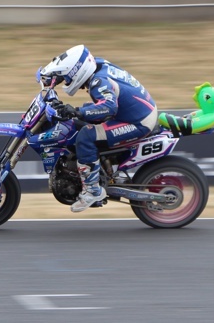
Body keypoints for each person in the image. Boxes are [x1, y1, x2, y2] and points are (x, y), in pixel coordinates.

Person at [39, 45, 158, 212]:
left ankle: (93, 190)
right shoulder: (97, 66)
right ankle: (97, 169)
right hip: (135, 111)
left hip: (138, 121)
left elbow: (109, 107)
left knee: (86, 135)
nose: (66, 82)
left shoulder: (97, 82)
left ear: (77, 72)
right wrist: (55, 80)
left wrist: (77, 111)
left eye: (67, 78)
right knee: (83, 117)